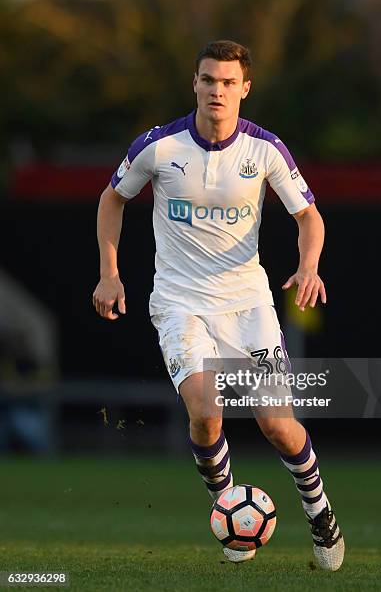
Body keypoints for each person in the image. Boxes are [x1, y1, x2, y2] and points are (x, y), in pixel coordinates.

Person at [93, 40, 344, 570]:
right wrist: (110, 274)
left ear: (244, 90)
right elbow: (111, 198)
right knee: (206, 413)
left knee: (277, 424)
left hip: (248, 304)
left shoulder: (265, 149)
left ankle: (319, 510)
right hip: (180, 301)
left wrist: (309, 265)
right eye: (209, 80)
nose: (217, 90)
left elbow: (309, 216)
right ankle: (227, 506)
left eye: (229, 83)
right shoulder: (158, 147)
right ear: (195, 84)